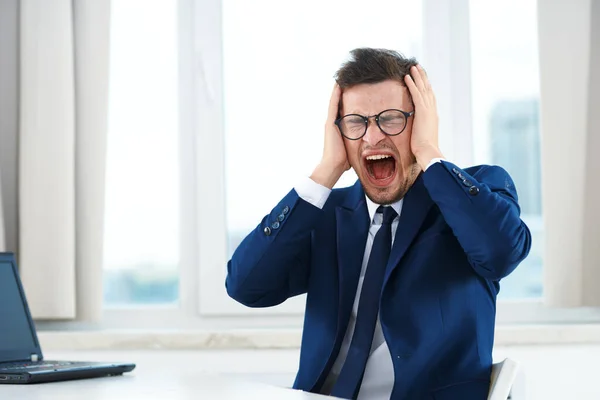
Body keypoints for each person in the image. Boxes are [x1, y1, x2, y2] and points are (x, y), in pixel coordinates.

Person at [225, 48, 531, 400]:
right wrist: (326, 170)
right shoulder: (326, 214)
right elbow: (246, 286)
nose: (372, 138)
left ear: (421, 121)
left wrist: (429, 151)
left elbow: (501, 253)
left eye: (391, 118)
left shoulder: (474, 195)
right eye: (356, 122)